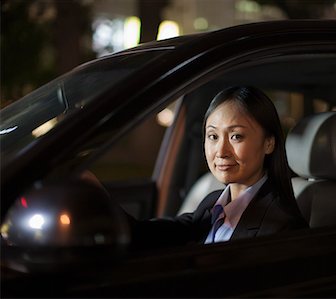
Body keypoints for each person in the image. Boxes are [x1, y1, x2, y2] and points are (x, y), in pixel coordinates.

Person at [129, 86, 308, 248]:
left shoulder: (283, 227)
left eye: (236, 136)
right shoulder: (213, 204)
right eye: (213, 136)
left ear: (269, 143)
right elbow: (151, 234)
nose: (221, 151)